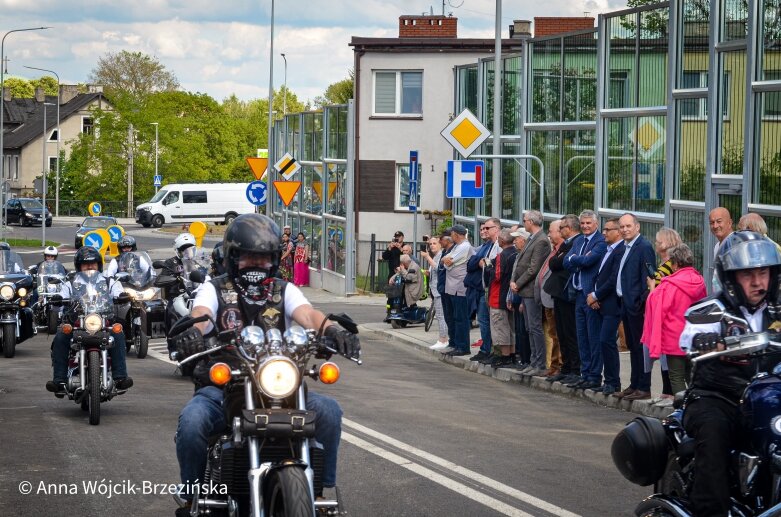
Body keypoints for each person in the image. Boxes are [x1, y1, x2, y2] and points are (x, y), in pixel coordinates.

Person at [171, 214, 359, 516]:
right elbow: (203, 313)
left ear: (273, 259)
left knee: (329, 411)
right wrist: (195, 330)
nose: (255, 263)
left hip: (279, 385)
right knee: (193, 421)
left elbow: (308, 314)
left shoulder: (284, 290)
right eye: (247, 257)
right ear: (233, 258)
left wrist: (331, 330)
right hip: (224, 385)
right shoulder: (215, 287)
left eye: (262, 257)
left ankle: (320, 495)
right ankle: (192, 495)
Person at [678, 231, 781, 517]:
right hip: (718, 397)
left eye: (764, 272)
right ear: (732, 278)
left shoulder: (778, 309)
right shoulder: (713, 309)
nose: (758, 282)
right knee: (714, 437)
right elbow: (689, 336)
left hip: (768, 395)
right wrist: (704, 341)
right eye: (748, 274)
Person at [45, 246, 133, 394]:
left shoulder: (108, 281)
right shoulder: (70, 282)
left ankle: (120, 377)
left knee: (118, 332)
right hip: (76, 322)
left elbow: (118, 293)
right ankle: (59, 380)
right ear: (79, 266)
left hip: (103, 321)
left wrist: (122, 296)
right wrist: (57, 300)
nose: (90, 266)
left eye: (93, 263)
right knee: (61, 335)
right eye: (85, 264)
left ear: (99, 264)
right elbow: (60, 302)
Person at [641, 244, 705, 397]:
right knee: (692, 376)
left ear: (675, 263)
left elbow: (656, 306)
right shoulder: (700, 281)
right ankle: (696, 405)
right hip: (694, 336)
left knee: (676, 376)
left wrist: (651, 288)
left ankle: (682, 411)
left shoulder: (668, 285)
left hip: (674, 337)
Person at [615, 213, 657, 400]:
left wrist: (640, 302)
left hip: (636, 306)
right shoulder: (625, 246)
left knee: (640, 348)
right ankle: (634, 384)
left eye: (628, 226)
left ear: (637, 227)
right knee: (632, 346)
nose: (624, 229)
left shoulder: (644, 247)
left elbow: (649, 277)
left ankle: (643, 386)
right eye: (622, 226)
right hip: (625, 303)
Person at [564, 210, 606, 389]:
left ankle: (595, 376)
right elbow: (567, 261)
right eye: (583, 223)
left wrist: (576, 259)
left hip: (591, 296)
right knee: (581, 336)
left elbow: (589, 262)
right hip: (578, 294)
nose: (585, 226)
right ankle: (586, 373)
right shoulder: (579, 240)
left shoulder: (600, 241)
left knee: (593, 336)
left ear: (596, 224)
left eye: (589, 223)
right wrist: (577, 259)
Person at [585, 218, 625, 394]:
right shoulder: (608, 250)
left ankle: (613, 381)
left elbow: (613, 279)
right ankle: (607, 380)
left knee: (607, 341)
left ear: (618, 232)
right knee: (600, 341)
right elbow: (599, 274)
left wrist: (596, 295)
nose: (604, 233)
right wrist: (593, 295)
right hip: (599, 303)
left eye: (608, 230)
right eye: (604, 229)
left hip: (612, 304)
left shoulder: (621, 250)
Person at [510, 210, 551, 376]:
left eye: (525, 220)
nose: (524, 222)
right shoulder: (532, 238)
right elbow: (521, 261)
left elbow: (533, 268)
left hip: (530, 289)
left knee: (535, 328)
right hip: (524, 291)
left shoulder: (541, 240)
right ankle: (534, 361)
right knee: (529, 327)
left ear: (531, 222)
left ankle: (539, 363)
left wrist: (518, 284)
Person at [544, 215, 581, 384]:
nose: (560, 231)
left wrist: (559, 260)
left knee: (570, 333)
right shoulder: (565, 244)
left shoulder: (576, 242)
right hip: (558, 294)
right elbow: (553, 263)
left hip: (568, 295)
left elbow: (563, 263)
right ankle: (565, 367)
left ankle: (574, 369)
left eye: (562, 227)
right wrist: (558, 260)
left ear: (571, 228)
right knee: (562, 334)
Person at [466, 218, 501, 362]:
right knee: (484, 320)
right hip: (483, 287)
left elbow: (491, 265)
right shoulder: (486, 245)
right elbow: (472, 262)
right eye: (483, 228)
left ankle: (491, 350)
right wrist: (480, 262)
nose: (484, 231)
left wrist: (482, 263)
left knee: (489, 321)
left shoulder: (498, 245)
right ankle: (486, 349)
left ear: (496, 229)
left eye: (487, 228)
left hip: (491, 288)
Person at [485, 229, 518, 367]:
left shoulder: (502, 255)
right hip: (511, 296)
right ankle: (512, 355)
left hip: (499, 296)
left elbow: (497, 275)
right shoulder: (516, 253)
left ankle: (504, 356)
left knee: (500, 327)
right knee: (511, 327)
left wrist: (489, 267)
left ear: (502, 241)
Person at [441, 225, 474, 357]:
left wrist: (447, 261)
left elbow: (449, 262)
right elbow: (444, 260)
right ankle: (455, 343)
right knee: (454, 317)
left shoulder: (464, 247)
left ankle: (463, 346)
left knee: (461, 318)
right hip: (452, 287)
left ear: (456, 234)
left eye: (452, 234)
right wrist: (446, 261)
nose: (451, 236)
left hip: (460, 288)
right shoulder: (456, 246)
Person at [420, 236, 449, 349]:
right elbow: (434, 271)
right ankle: (443, 338)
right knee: (440, 315)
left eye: (434, 243)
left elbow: (439, 268)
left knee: (441, 315)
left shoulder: (441, 255)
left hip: (440, 290)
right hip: (435, 290)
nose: (432, 245)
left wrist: (427, 257)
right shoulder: (436, 256)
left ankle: (443, 339)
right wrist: (429, 273)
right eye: (430, 243)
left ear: (440, 244)